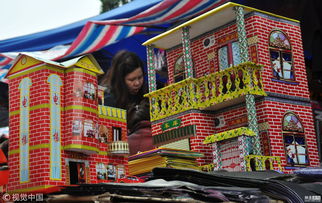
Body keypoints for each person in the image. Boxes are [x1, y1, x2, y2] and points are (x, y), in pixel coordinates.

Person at [100, 50, 153, 155]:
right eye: (131, 79)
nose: (137, 83)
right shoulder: (108, 98)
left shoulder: (146, 92)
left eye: (140, 77)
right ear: (121, 80)